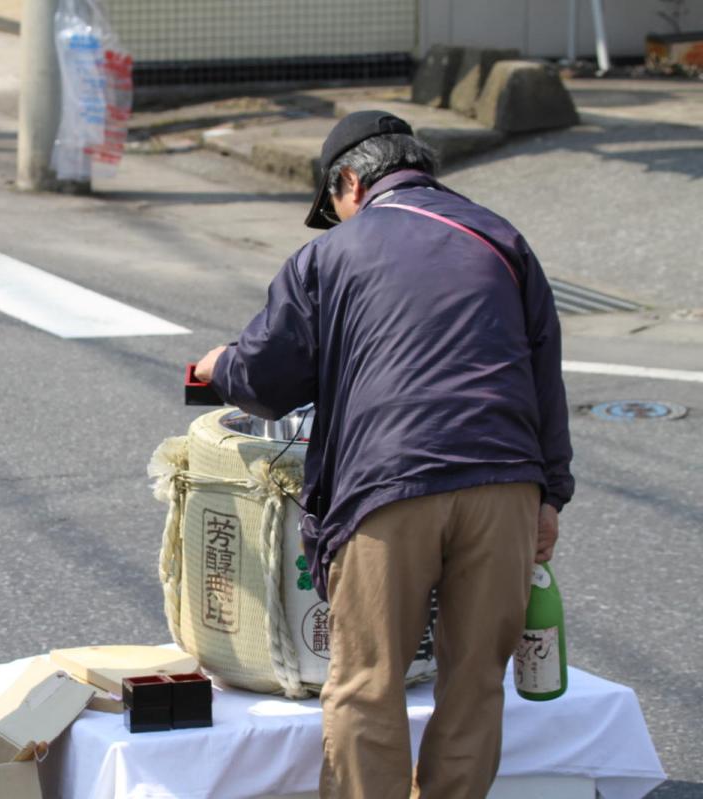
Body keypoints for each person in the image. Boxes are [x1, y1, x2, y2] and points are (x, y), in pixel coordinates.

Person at [193, 110, 573, 799]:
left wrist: (219, 365)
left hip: (390, 487)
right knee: (475, 682)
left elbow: (269, 380)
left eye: (332, 205)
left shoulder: (330, 255)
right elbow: (546, 373)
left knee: (367, 684)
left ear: (348, 180)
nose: (337, 217)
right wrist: (549, 495)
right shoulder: (502, 239)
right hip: (507, 485)